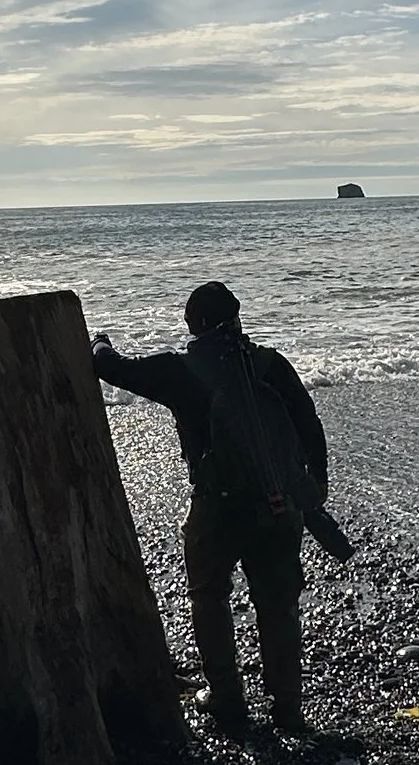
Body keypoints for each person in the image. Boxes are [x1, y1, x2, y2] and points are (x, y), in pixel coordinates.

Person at [91, 282, 336, 740]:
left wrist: (99, 340)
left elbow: (112, 369)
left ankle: (226, 696)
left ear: (193, 326)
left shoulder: (181, 371)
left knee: (209, 596)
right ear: (238, 318)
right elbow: (309, 425)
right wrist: (316, 485)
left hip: (217, 510)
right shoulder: (269, 363)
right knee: (278, 607)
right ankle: (287, 710)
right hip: (279, 505)